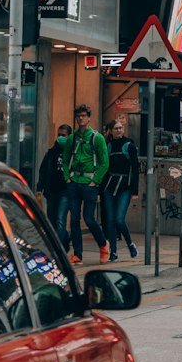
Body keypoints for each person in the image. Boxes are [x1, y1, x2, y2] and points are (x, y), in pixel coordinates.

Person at [62, 104, 110, 264]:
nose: (81, 118)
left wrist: (94, 181)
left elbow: (105, 163)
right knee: (74, 219)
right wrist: (67, 177)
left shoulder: (97, 138)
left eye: (83, 116)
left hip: (89, 183)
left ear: (89, 118)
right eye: (78, 116)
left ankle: (103, 245)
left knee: (89, 218)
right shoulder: (72, 138)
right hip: (74, 182)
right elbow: (65, 160)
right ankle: (78, 255)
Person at [103, 119, 140, 261]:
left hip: (125, 187)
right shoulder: (108, 146)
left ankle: (130, 244)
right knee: (110, 221)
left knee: (119, 219)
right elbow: (104, 168)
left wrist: (135, 191)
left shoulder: (129, 145)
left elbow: (135, 169)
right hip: (109, 187)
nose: (119, 130)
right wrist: (101, 191)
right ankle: (113, 251)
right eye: (116, 128)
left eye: (120, 128)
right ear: (111, 131)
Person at [37, 124, 72, 248]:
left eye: (64, 135)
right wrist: (39, 188)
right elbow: (43, 171)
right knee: (51, 221)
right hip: (51, 191)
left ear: (69, 136)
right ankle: (65, 238)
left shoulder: (72, 152)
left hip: (65, 192)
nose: (60, 138)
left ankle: (57, 249)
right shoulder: (51, 152)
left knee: (60, 220)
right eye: (59, 135)